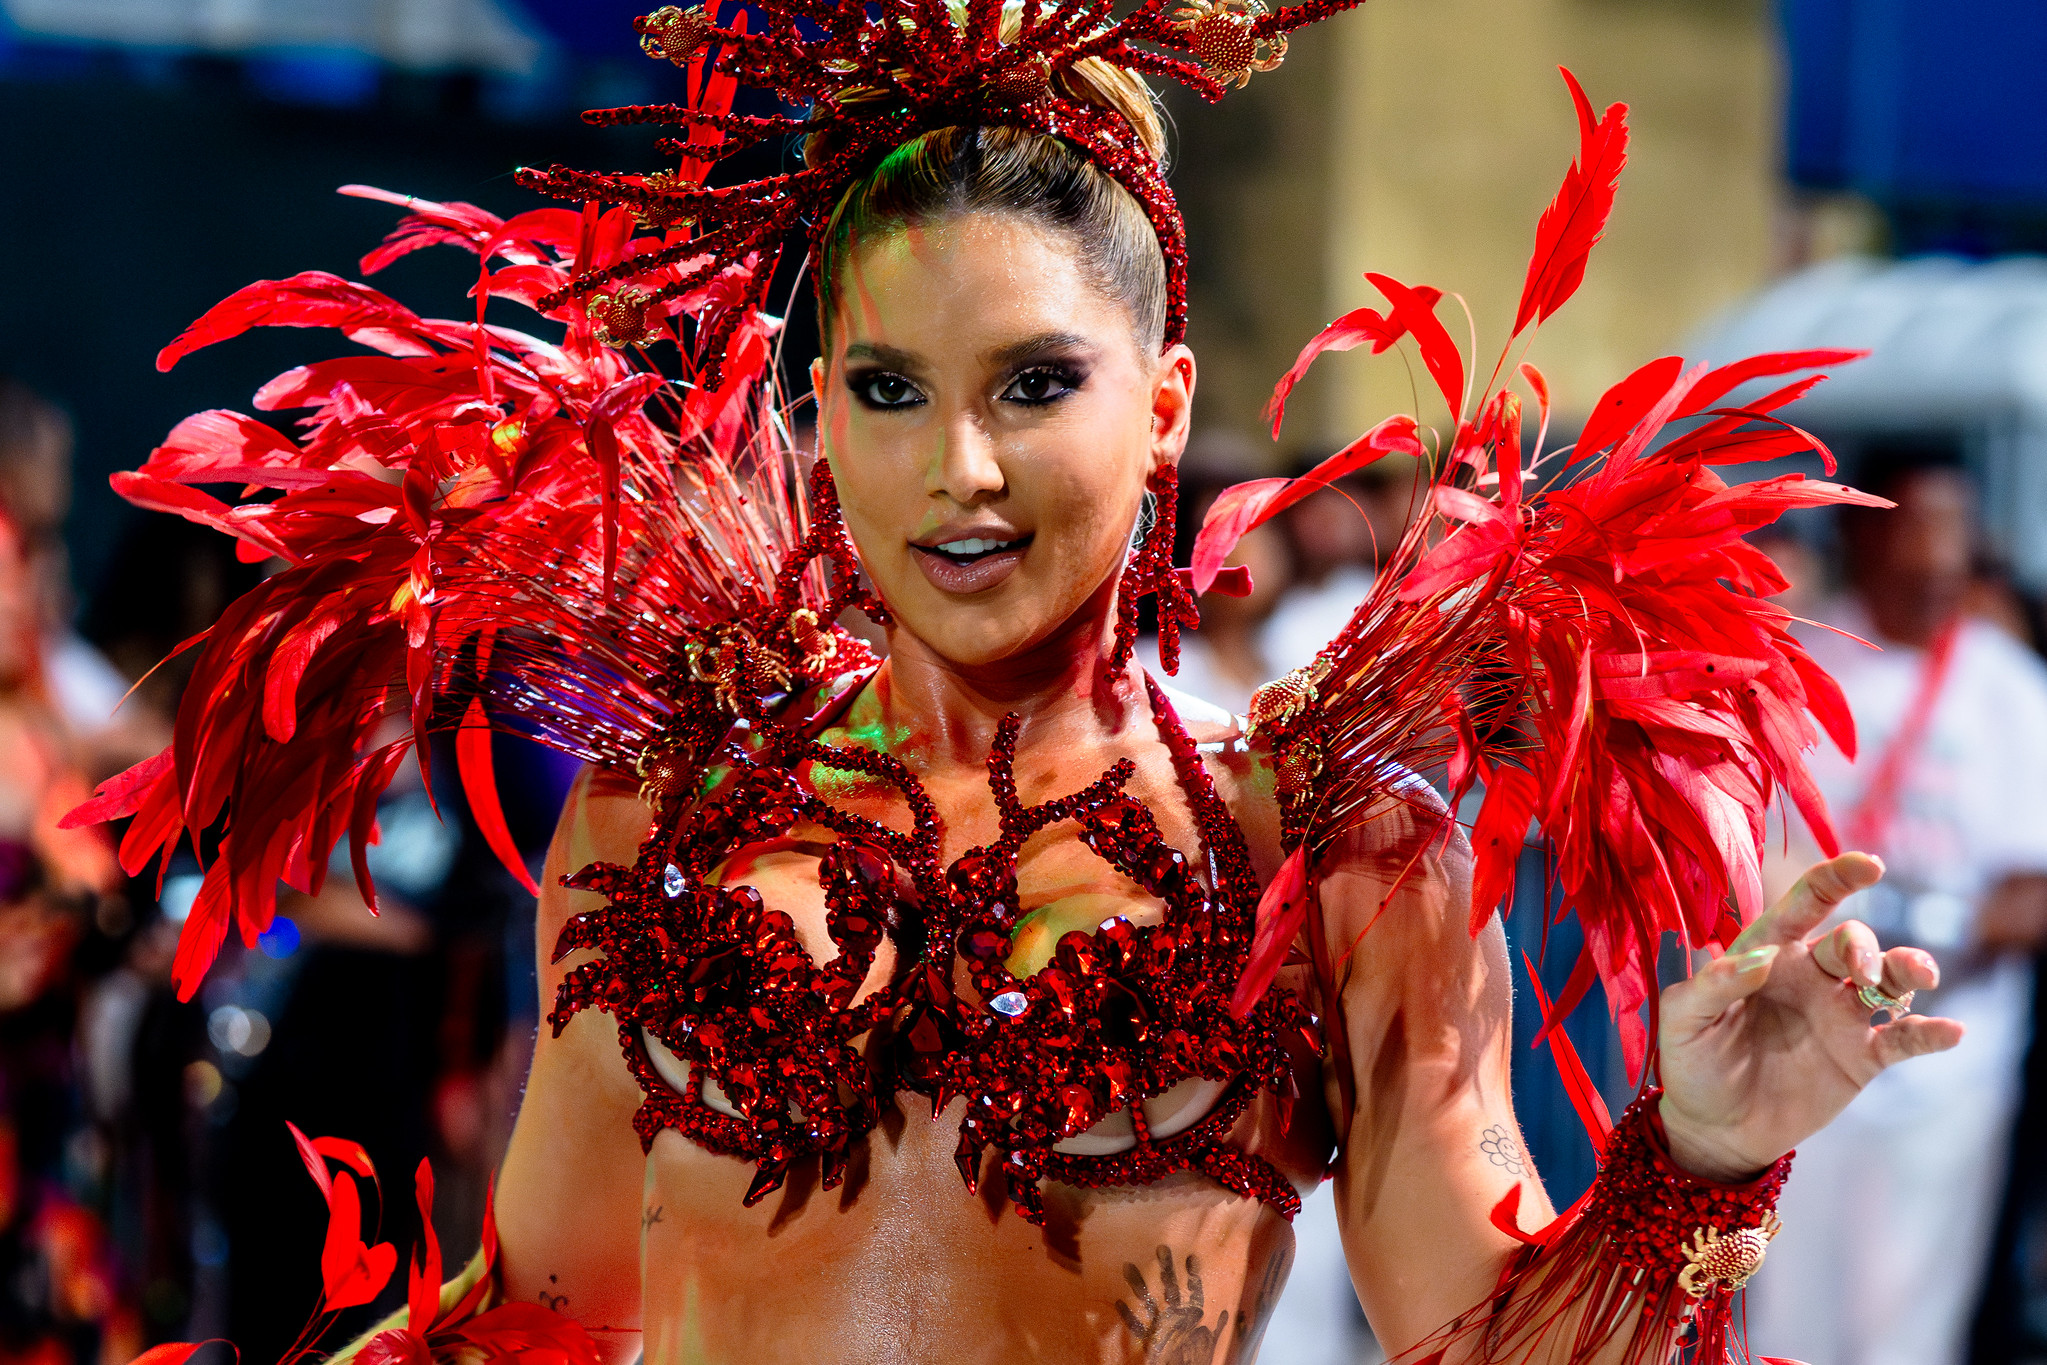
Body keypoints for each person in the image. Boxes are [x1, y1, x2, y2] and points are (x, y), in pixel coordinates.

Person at [75, 7, 1962, 1364]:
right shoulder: (670, 801)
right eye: (888, 391)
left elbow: (1477, 1339)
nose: (955, 473)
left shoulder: (1323, 853)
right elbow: (548, 1318)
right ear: (816, 410)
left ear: (1160, 409)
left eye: (1033, 386)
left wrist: (1696, 1160)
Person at [1749, 456, 2047, 1365]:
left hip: (1948, 1059)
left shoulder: (2006, 687)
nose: (1938, 555)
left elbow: (2033, 891)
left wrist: (1929, 919)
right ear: (1863, 532)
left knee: (1906, 1329)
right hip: (1803, 1034)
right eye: (1919, 525)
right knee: (1788, 1314)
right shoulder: (1801, 663)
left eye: (1954, 529)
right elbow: (1749, 844)